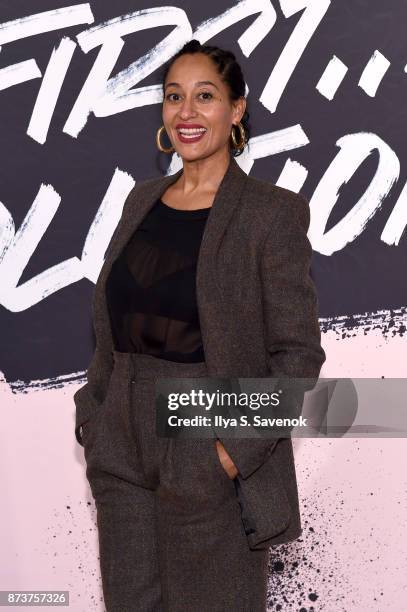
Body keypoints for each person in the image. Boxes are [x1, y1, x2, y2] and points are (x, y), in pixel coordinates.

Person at [74, 39, 326, 612]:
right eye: (173, 97)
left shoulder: (271, 213)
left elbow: (297, 357)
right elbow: (112, 326)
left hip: (206, 435)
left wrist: (229, 451)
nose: (186, 112)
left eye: (205, 96)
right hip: (121, 451)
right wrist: (96, 418)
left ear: (236, 109)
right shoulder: (141, 201)